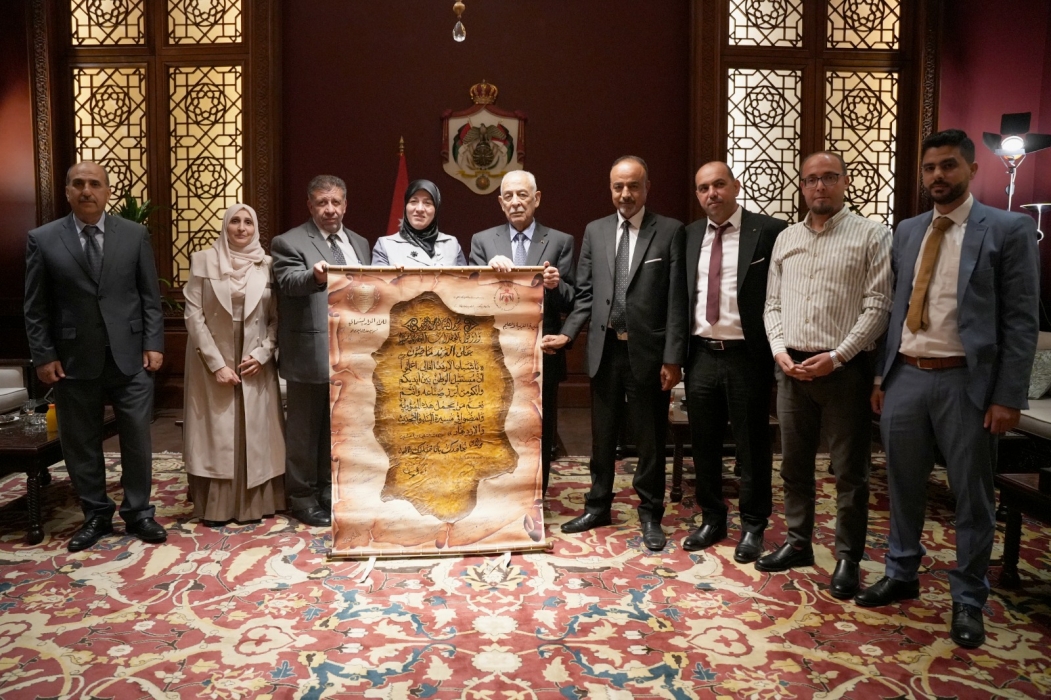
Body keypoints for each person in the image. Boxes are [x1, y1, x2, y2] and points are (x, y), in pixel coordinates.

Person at [856, 129, 1039, 648]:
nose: (938, 175)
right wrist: (881, 376)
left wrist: (1007, 396)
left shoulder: (1007, 229)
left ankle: (968, 598)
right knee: (902, 485)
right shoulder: (908, 230)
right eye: (930, 167)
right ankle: (901, 572)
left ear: (971, 169)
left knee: (972, 496)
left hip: (967, 383)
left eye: (949, 166)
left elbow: (1021, 320)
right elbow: (896, 308)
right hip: (906, 376)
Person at [759, 152, 892, 599]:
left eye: (829, 178)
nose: (819, 186)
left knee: (849, 471)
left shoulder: (872, 235)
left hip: (844, 371)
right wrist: (779, 350)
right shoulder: (787, 238)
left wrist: (837, 356)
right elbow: (772, 304)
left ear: (845, 182)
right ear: (802, 186)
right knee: (794, 465)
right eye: (811, 179)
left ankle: (848, 557)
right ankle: (798, 542)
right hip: (792, 370)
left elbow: (878, 306)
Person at [546, 156, 687, 551]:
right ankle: (598, 506)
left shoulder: (670, 231)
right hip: (604, 350)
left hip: (649, 353)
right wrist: (567, 335)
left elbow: (677, 300)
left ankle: (650, 513)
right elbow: (586, 294)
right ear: (610, 188)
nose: (625, 194)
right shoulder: (596, 230)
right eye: (618, 187)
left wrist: (673, 358)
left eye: (633, 186)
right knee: (602, 437)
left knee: (649, 439)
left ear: (647, 188)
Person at [23, 161, 166, 551]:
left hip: (131, 358)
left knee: (137, 440)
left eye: (95, 184)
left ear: (107, 192)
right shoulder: (43, 239)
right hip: (72, 360)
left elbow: (150, 297)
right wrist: (43, 356)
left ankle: (139, 513)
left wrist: (154, 343)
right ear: (67, 191)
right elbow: (35, 307)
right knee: (81, 442)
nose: (87, 190)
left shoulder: (134, 235)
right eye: (79, 184)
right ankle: (96, 515)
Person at [681, 162, 787, 562]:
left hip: (747, 356)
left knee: (752, 446)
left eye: (719, 184)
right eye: (703, 187)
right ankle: (712, 518)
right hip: (701, 354)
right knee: (704, 443)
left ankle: (754, 525)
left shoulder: (769, 231)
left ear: (736, 186)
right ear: (697, 194)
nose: (712, 193)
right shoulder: (689, 235)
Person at [271, 176, 370, 527]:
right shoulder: (289, 241)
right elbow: (288, 283)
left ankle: (329, 490)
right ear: (310, 206)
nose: (330, 209)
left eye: (336, 202)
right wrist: (314, 276)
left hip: (352, 353)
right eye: (322, 202)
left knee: (338, 428)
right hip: (309, 353)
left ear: (345, 205)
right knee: (305, 431)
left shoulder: (360, 243)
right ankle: (302, 496)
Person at [470, 170, 575, 494]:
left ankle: (535, 498)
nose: (516, 202)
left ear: (536, 199)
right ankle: (498, 496)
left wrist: (556, 285)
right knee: (495, 427)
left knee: (539, 429)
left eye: (522, 195)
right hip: (494, 355)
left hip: (542, 353)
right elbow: (470, 298)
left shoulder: (560, 241)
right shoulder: (482, 241)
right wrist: (488, 275)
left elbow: (574, 300)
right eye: (509, 196)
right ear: (501, 203)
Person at [182, 203, 286, 525]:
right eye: (235, 222)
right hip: (212, 356)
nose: (242, 228)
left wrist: (263, 354)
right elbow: (193, 315)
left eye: (248, 223)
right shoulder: (203, 260)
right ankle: (217, 507)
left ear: (256, 229)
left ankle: (257, 504)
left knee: (256, 430)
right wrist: (216, 364)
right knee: (218, 432)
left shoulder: (267, 264)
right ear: (225, 226)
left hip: (254, 360)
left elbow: (277, 318)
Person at [372, 180, 466, 266]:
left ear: (436, 209)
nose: (420, 209)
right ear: (405, 207)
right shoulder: (385, 245)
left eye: (427, 203)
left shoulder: (451, 244)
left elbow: (465, 279)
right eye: (414, 201)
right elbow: (378, 279)